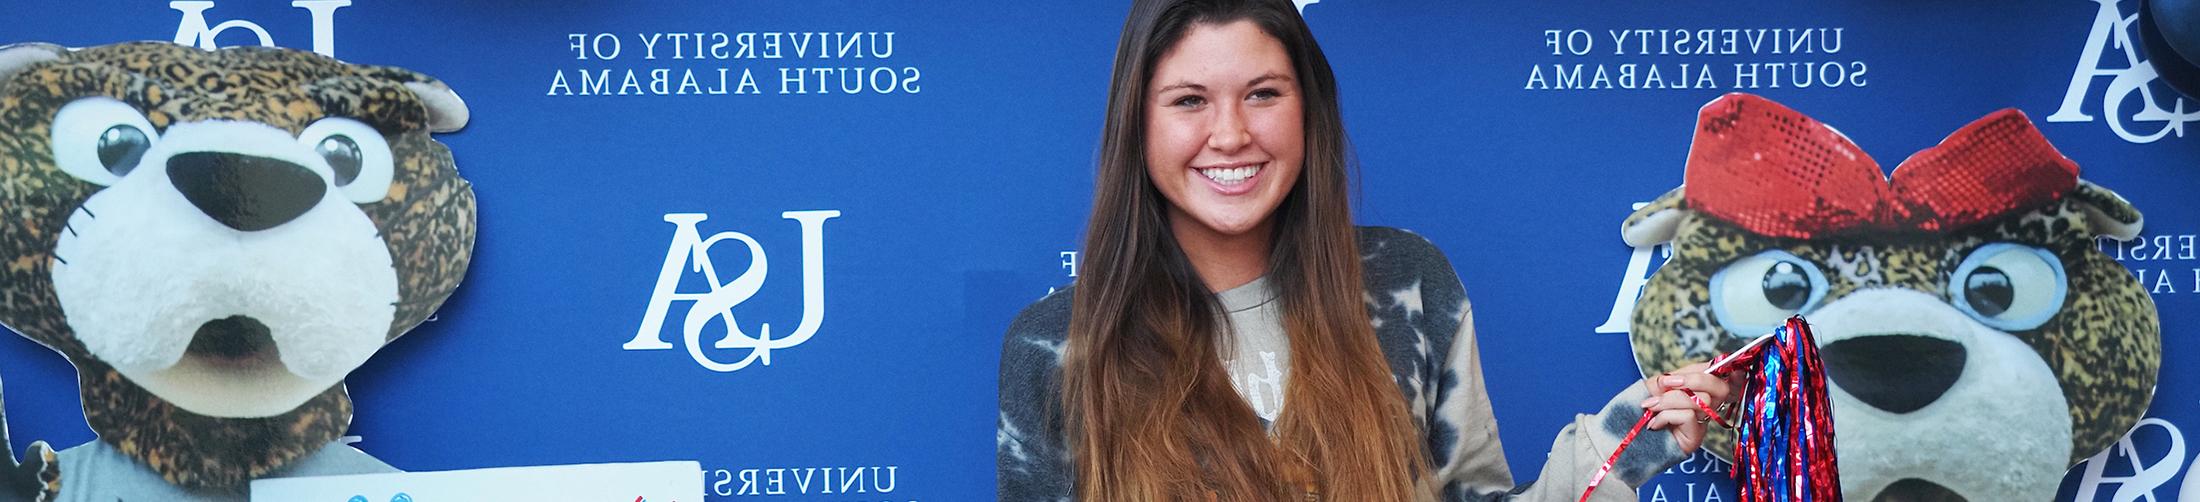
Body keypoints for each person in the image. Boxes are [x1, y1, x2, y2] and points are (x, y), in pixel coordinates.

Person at [995, 0, 1733, 500]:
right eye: (1189, 100)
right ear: (1138, 125)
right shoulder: (1055, 345)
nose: (1229, 135)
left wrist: (1621, 440)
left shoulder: (1411, 283)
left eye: (1263, 94)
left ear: (1309, 110)